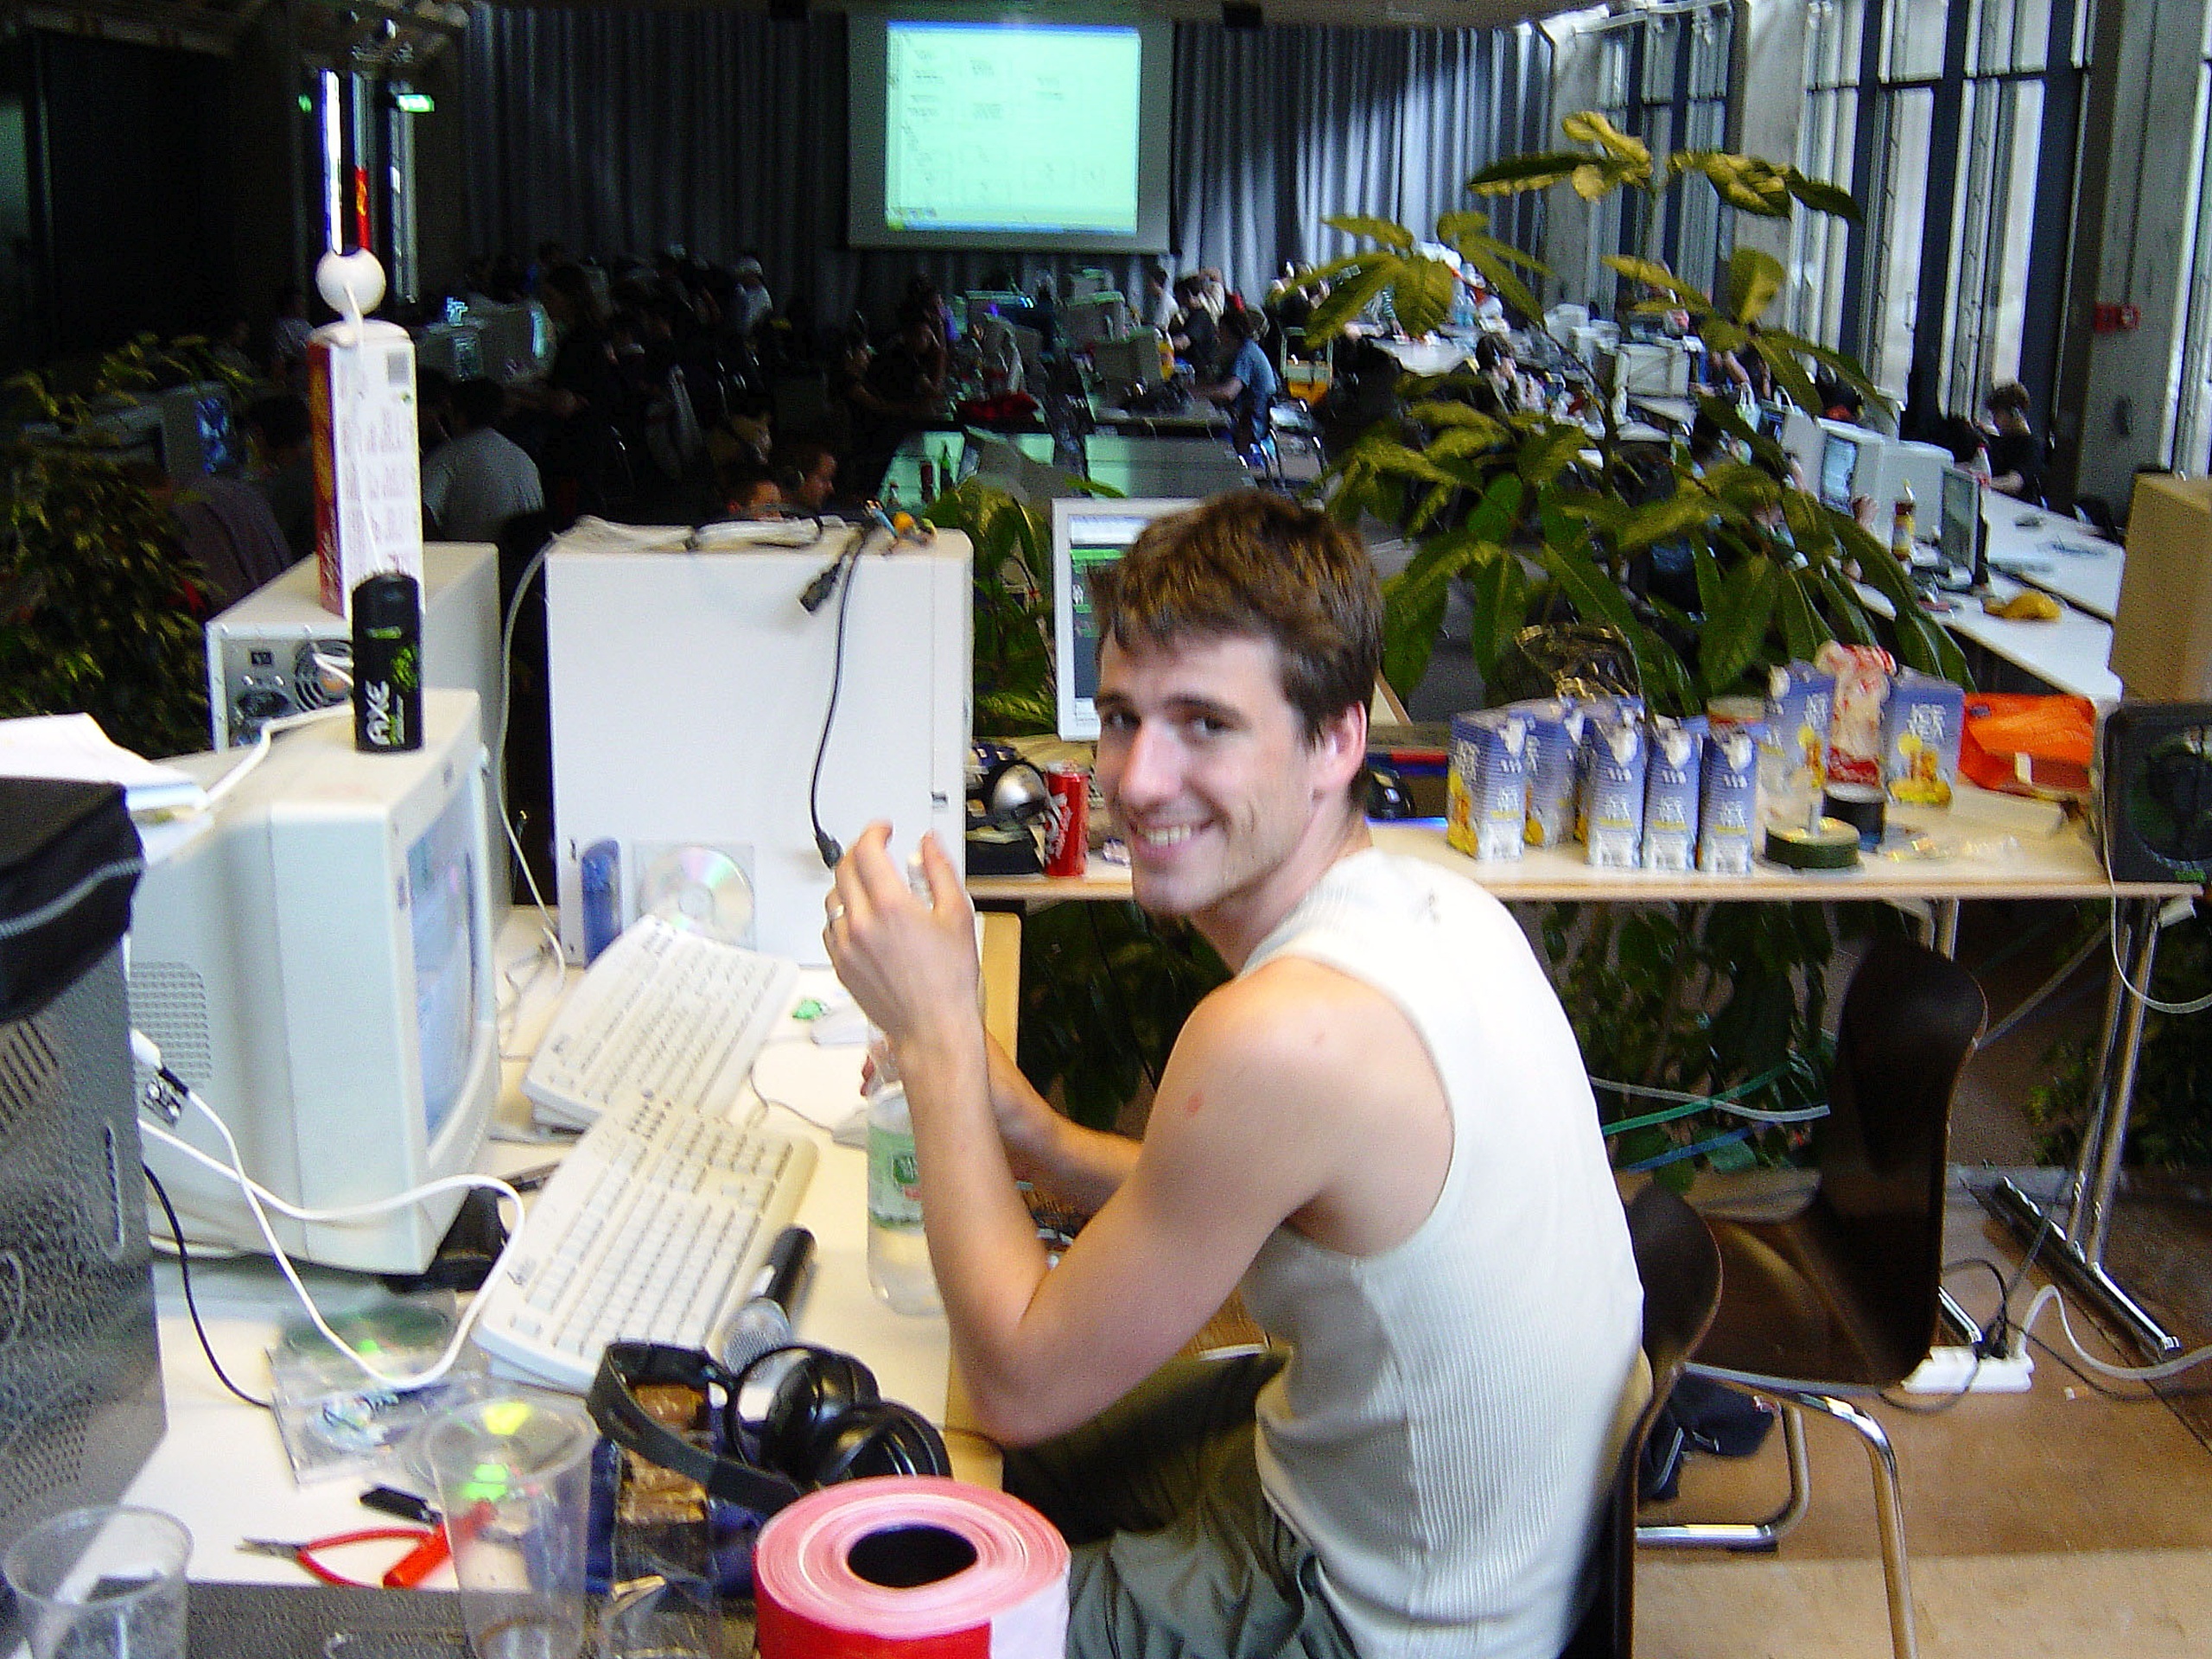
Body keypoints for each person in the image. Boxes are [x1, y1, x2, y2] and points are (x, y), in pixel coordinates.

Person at [823, 493, 1645, 1659]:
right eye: (1121, 718)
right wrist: (1039, 1137)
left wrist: (936, 1033)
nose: (1138, 778)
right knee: (941, 1456)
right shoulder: (1436, 902)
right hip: (1409, 1505)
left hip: (1384, 1618)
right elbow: (1243, 1194)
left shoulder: (1281, 1034)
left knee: (907, 1617)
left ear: (1337, 741)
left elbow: (1015, 1379)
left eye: (1205, 724)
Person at [421, 377, 544, 544]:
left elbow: (422, 510)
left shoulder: (448, 457)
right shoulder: (523, 458)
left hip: (474, 557)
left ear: (460, 416)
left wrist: (445, 551)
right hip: (527, 557)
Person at [1200, 304, 1280, 464]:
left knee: (1200, 434)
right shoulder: (1245, 350)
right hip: (1248, 421)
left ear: (1230, 332)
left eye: (1221, 331)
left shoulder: (1246, 354)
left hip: (1250, 428)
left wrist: (1195, 392)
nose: (1217, 335)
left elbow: (1228, 393)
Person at [1982, 381, 2044, 503]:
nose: (1995, 421)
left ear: (2014, 413)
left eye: (1997, 414)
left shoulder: (2029, 446)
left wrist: (1985, 483)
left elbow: (2014, 482)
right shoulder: (2001, 442)